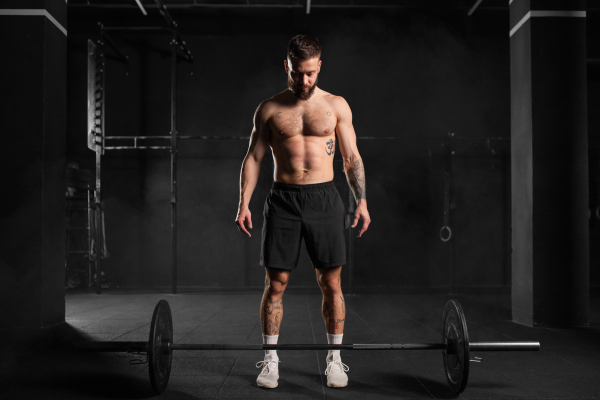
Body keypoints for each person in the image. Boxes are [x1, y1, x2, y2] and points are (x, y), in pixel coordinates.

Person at [235, 34, 371, 389]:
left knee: (331, 283)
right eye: (297, 73)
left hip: (325, 198)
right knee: (276, 283)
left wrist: (362, 200)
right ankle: (270, 360)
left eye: (310, 73)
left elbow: (351, 158)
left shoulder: (336, 106)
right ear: (287, 66)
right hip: (283, 199)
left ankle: (335, 360)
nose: (304, 80)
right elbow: (254, 157)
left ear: (319, 66)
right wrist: (243, 203)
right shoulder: (270, 109)